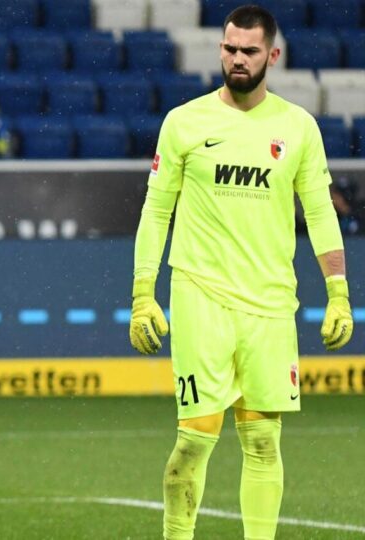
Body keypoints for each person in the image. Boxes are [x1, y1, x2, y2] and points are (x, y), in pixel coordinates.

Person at [128, 5, 354, 540]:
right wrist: (143, 292)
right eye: (229, 48)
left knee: (263, 442)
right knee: (194, 442)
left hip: (271, 305)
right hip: (200, 294)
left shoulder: (298, 127)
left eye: (249, 50)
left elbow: (319, 213)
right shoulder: (184, 122)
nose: (237, 58)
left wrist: (339, 291)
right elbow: (156, 210)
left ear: (271, 56)